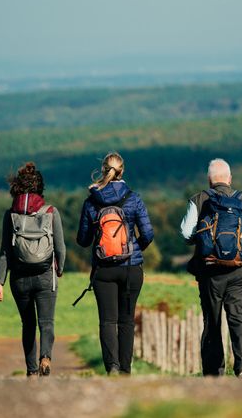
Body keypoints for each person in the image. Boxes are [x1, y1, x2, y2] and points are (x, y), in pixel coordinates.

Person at [179, 158, 242, 378]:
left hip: (209, 272)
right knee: (240, 320)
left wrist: (202, 240)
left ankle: (213, 374)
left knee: (212, 321)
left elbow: (186, 233)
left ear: (209, 180)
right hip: (239, 270)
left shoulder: (199, 199)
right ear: (230, 179)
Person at [76, 152, 154, 375]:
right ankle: (126, 371)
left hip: (103, 270)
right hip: (131, 267)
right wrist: (135, 248)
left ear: (103, 170)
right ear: (123, 170)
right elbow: (148, 233)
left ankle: (111, 368)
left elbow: (83, 240)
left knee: (107, 321)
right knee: (126, 321)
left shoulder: (92, 201)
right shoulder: (134, 198)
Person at [0, 162, 66, 377]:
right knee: (47, 322)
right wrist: (58, 270)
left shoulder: (11, 215)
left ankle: (32, 371)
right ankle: (46, 356)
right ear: (40, 188)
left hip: (19, 278)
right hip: (46, 276)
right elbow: (60, 248)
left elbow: (5, 250)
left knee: (28, 324)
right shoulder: (51, 212)